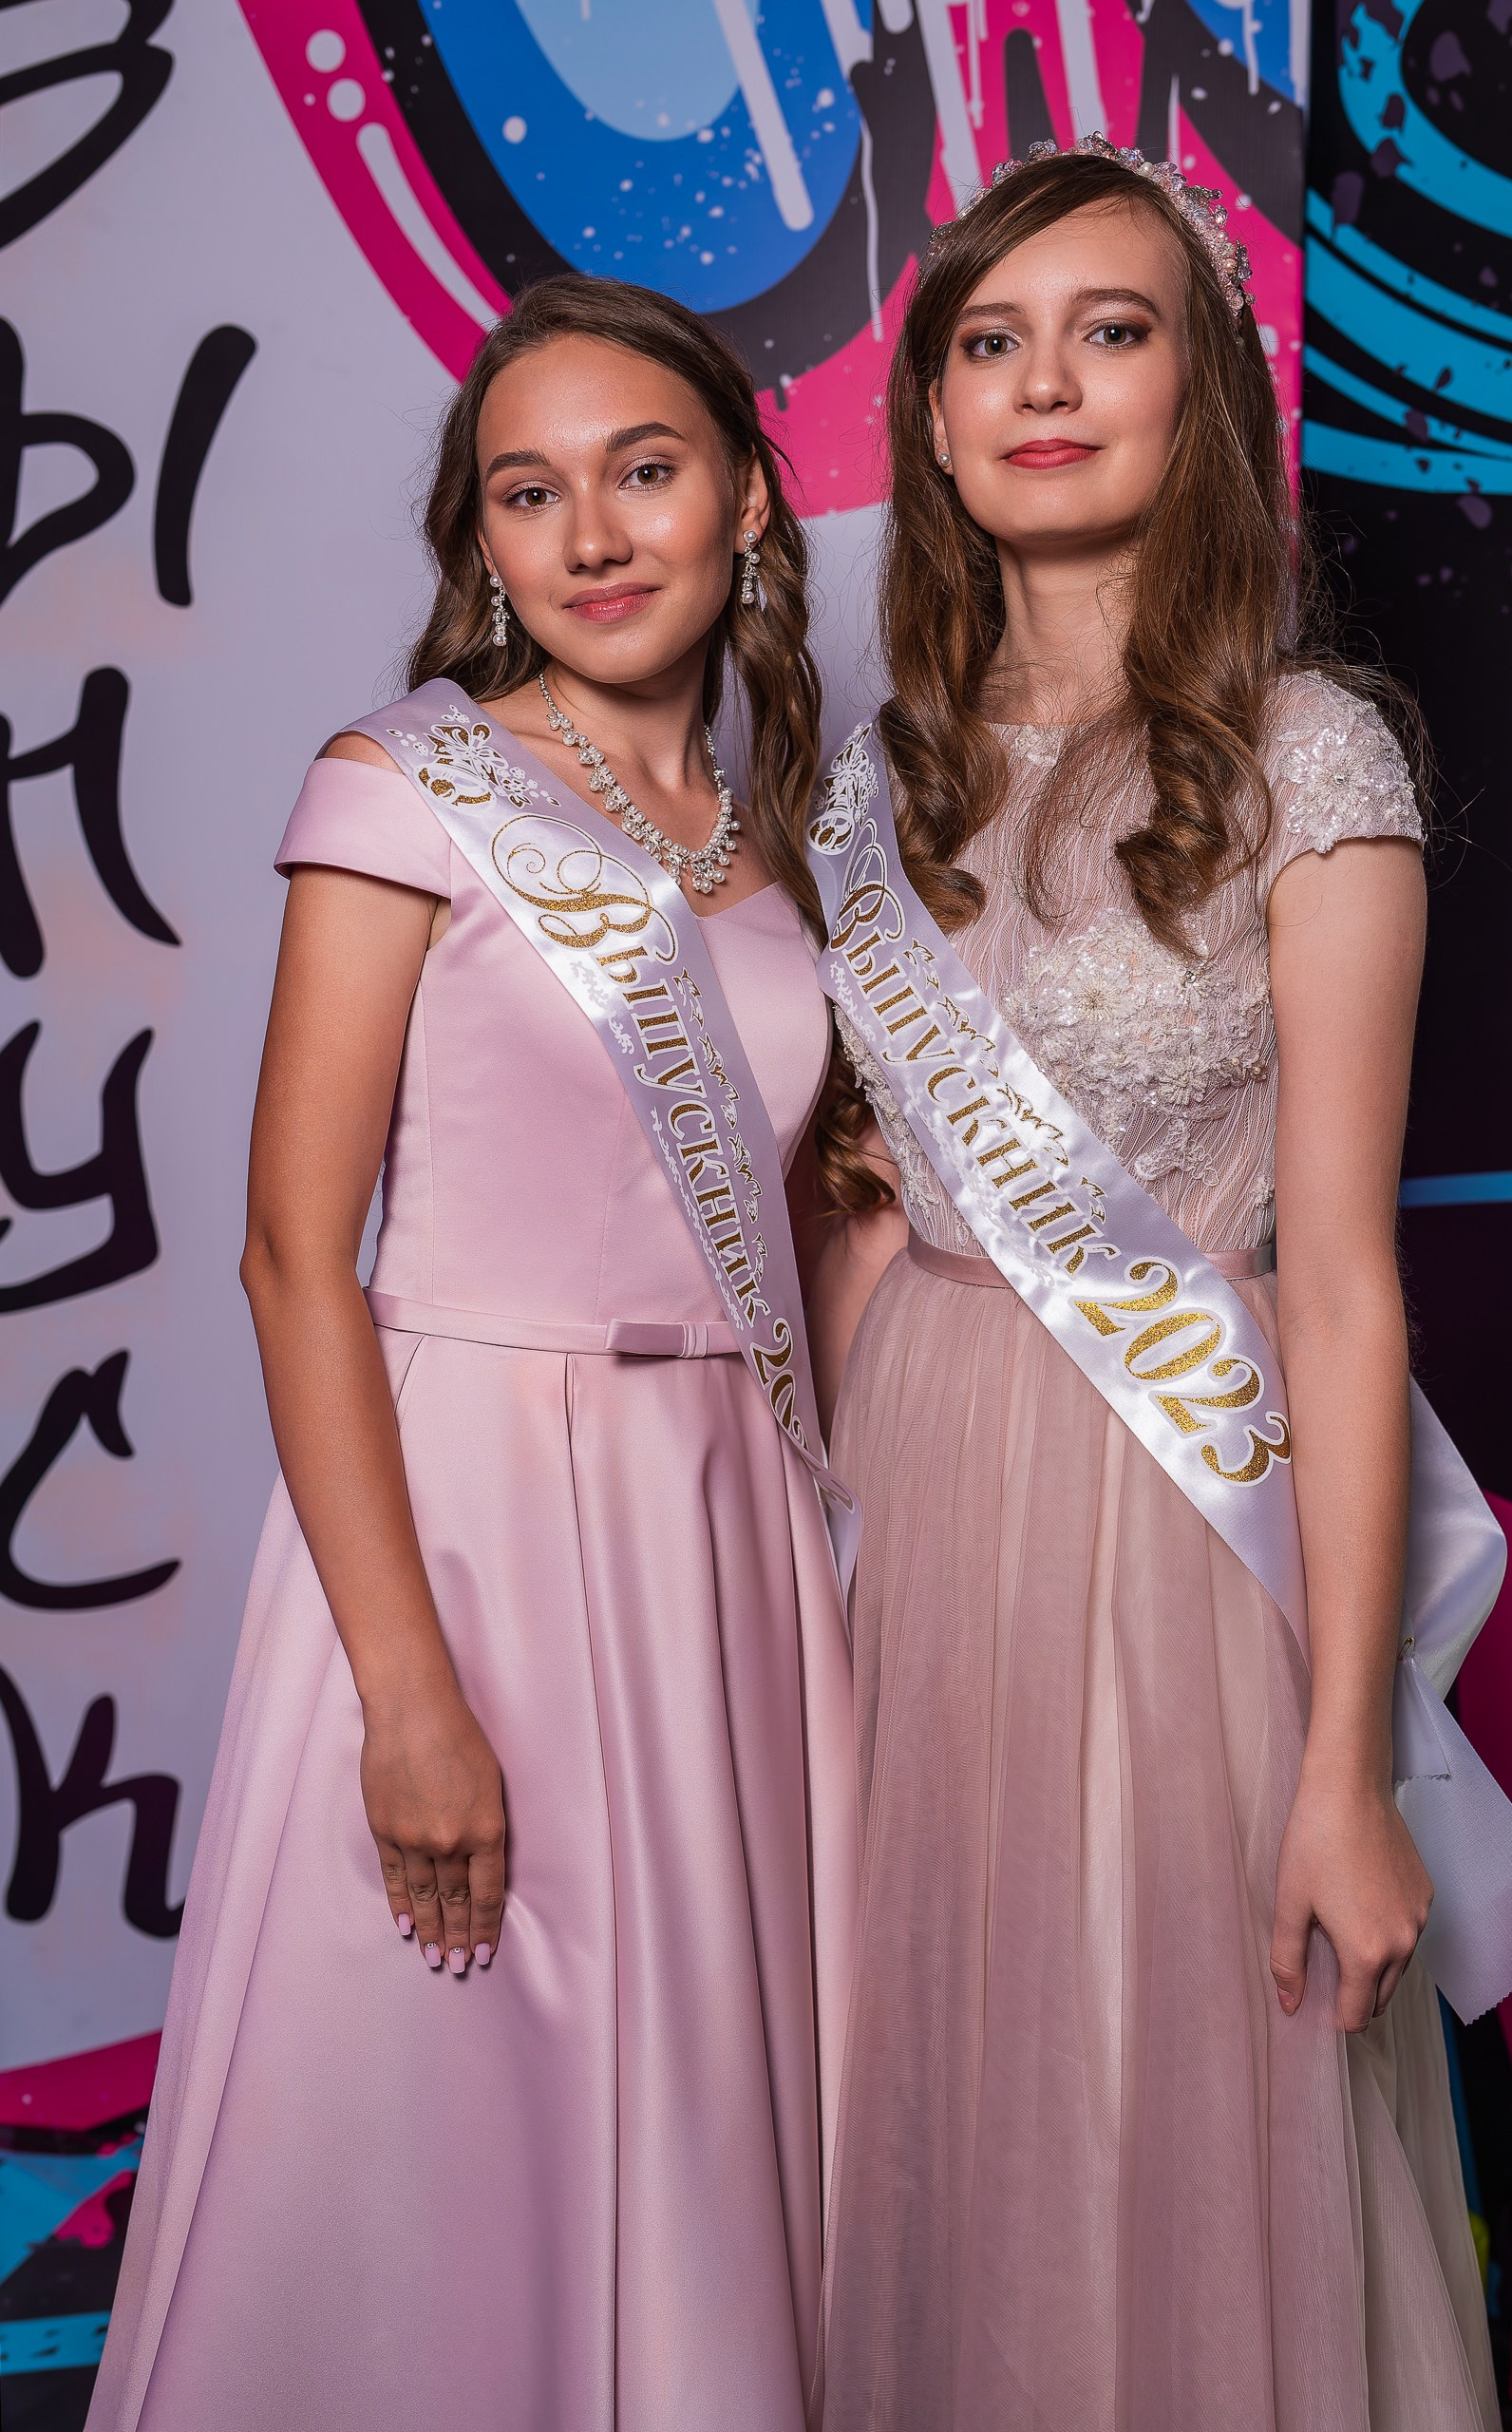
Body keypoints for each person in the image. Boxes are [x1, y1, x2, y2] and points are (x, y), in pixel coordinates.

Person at [87, 276, 855, 2432]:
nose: (592, 535)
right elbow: (289, 1259)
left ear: (747, 499)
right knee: (448, 2118)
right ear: (483, 540)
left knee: (709, 2128)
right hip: (472, 1532)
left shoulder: (782, 845)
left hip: (723, 1541)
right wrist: (408, 1692)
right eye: (530, 492)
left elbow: (792, 1243)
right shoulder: (403, 785)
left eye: (644, 470)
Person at [807, 142, 1503, 2429]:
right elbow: (850, 1205)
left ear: (1198, 390)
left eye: (1109, 333)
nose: (1043, 385)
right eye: (988, 342)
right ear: (929, 419)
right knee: (937, 2096)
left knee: (1168, 2085)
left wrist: (1344, 1763)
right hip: (921, 1516)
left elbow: (1343, 1288)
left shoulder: (1311, 757)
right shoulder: (870, 790)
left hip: (1179, 1531)